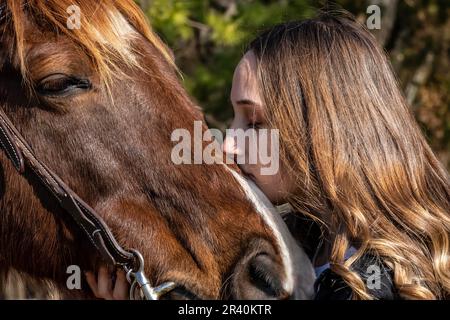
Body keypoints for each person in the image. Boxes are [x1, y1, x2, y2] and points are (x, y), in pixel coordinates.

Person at [87, 12, 450, 300]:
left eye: (255, 122)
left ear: (324, 131)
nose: (227, 146)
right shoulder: (301, 247)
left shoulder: (380, 281)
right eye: (234, 117)